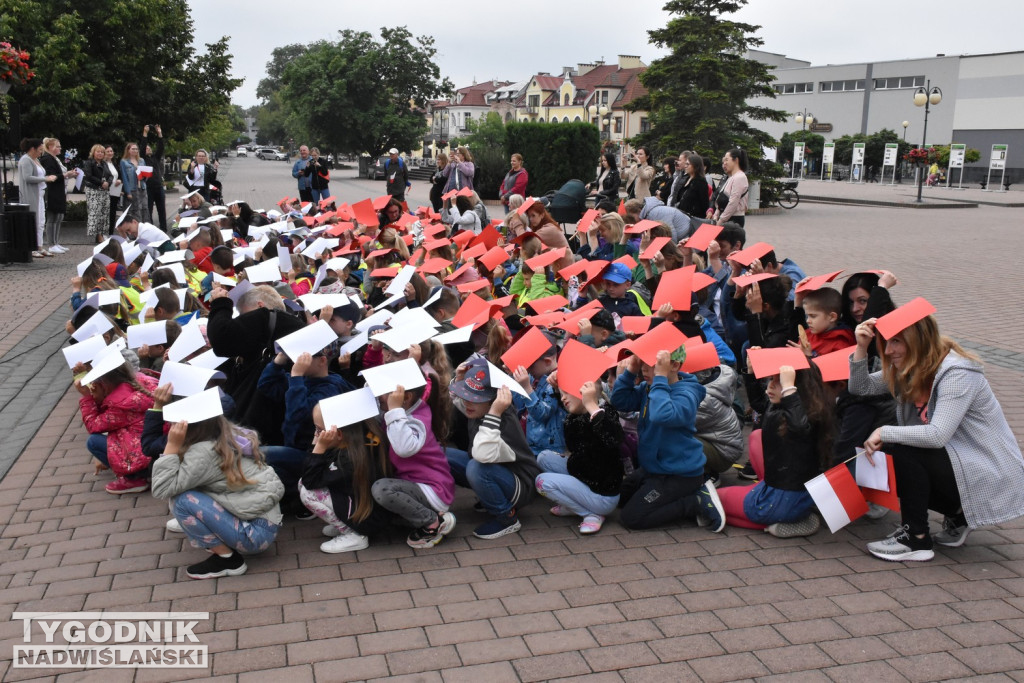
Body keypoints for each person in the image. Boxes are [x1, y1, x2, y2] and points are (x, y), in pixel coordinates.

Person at [852, 309, 1024, 562]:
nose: (888, 351)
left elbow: (937, 435)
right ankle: (958, 513)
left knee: (901, 447)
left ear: (919, 340)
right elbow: (861, 387)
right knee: (891, 450)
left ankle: (917, 539)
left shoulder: (957, 373)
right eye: (886, 343)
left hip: (989, 470)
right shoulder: (909, 366)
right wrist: (861, 347)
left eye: (896, 341)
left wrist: (885, 431)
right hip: (959, 462)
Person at [151, 415, 284, 579]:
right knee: (189, 491)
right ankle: (220, 536)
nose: (172, 427)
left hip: (254, 536)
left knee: (181, 501)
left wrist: (171, 445)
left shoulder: (203, 452)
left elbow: (162, 488)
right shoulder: (225, 434)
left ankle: (228, 560)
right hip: (264, 523)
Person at [610, 347, 724, 531]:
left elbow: (662, 415)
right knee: (618, 498)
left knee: (631, 518)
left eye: (653, 365)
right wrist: (630, 371)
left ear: (674, 365)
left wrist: (660, 379)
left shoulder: (686, 394)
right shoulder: (650, 388)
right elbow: (620, 401)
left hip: (679, 474)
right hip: (653, 469)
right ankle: (662, 494)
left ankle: (695, 501)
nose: (645, 369)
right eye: (643, 363)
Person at [719, 361, 834, 537]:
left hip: (780, 500)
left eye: (779, 380)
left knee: (716, 501)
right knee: (756, 437)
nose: (770, 385)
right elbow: (759, 403)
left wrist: (788, 389)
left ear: (797, 387)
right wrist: (750, 371)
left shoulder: (800, 420)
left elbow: (799, 428)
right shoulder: (810, 408)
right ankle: (781, 522)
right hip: (796, 497)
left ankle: (781, 522)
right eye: (770, 379)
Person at [446, 359, 540, 539]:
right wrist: (459, 381)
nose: (467, 403)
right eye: (466, 396)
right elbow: (457, 401)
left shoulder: (502, 418)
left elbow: (482, 455)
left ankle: (507, 518)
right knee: (444, 455)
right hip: (499, 471)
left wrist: (495, 412)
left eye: (474, 399)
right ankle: (490, 497)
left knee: (476, 468)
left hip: (521, 482)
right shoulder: (478, 409)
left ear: (494, 401)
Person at [371, 381, 457, 549]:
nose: (378, 396)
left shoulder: (416, 419)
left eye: (383, 392)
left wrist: (395, 410)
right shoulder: (405, 410)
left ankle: (433, 522)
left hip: (432, 489)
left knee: (382, 489)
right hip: (411, 483)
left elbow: (404, 449)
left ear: (406, 398)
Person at [535, 379, 624, 535]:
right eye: (561, 393)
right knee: (543, 457)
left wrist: (591, 406)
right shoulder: (573, 418)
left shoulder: (605, 412)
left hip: (602, 495)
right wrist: (559, 386)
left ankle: (590, 514)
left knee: (542, 482)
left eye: (567, 393)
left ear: (586, 391)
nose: (562, 398)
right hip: (585, 476)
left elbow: (614, 439)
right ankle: (575, 503)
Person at [300, 410, 392, 554]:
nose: (316, 434)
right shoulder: (360, 441)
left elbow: (310, 480)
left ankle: (354, 534)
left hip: (368, 520)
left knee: (308, 492)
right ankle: (346, 523)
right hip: (365, 510)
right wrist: (318, 444)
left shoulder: (348, 460)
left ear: (339, 434)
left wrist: (319, 447)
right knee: (305, 483)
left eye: (319, 430)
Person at [76, 361, 158, 494]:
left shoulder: (120, 405)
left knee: (94, 442)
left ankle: (134, 478)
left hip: (146, 458)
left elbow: (93, 425)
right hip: (159, 448)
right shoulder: (141, 383)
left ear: (103, 385)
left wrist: (87, 398)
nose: (91, 388)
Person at [791, 286, 856, 357]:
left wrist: (809, 356)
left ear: (832, 317)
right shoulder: (808, 334)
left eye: (813, 316)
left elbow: (832, 367)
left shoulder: (841, 345)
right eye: (807, 316)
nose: (808, 321)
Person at [39, 138, 76, 255]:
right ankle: (51, 244)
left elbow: (60, 175)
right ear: (50, 147)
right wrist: (66, 175)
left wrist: (69, 175)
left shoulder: (56, 159)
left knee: (58, 217)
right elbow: (51, 176)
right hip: (52, 191)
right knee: (52, 217)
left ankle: (56, 242)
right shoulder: (47, 159)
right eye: (57, 146)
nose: (60, 148)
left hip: (59, 190)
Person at [82, 144, 114, 243]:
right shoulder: (89, 163)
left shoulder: (104, 163)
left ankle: (102, 233)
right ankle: (98, 235)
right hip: (93, 190)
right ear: (93, 152)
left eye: (102, 152)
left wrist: (108, 182)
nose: (100, 154)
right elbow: (89, 176)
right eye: (98, 151)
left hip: (104, 191)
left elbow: (110, 176)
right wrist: (101, 183)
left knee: (104, 213)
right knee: (96, 212)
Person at [712, 148, 749, 227]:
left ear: (736, 160)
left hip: (733, 220)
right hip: (726, 218)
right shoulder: (731, 177)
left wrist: (721, 220)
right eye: (723, 161)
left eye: (726, 160)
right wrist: (716, 216)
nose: (724, 163)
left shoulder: (740, 177)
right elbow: (720, 197)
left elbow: (733, 202)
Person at [141, 125, 167, 232]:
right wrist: (145, 133)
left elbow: (161, 147)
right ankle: (150, 229)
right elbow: (142, 147)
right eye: (146, 148)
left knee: (161, 209)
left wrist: (159, 133)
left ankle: (163, 228)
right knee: (149, 209)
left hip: (158, 186)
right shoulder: (143, 159)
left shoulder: (155, 158)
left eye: (149, 148)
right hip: (148, 187)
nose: (148, 149)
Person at [119, 142, 150, 224]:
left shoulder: (141, 160)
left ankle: (145, 228)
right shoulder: (124, 162)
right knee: (134, 210)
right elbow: (124, 178)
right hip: (132, 189)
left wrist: (145, 176)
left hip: (142, 188)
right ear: (128, 150)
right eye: (133, 149)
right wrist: (128, 192)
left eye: (136, 149)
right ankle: (135, 231)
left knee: (144, 209)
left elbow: (146, 176)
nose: (135, 150)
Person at [676, 152, 711, 219]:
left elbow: (704, 204)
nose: (685, 166)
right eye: (685, 164)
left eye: (688, 164)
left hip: (693, 218)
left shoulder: (700, 182)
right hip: (682, 216)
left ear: (695, 166)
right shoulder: (687, 179)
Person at [103, 146, 123, 235]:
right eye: (108, 151)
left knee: (113, 212)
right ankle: (103, 233)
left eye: (111, 151)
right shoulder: (103, 164)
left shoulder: (114, 163)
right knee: (105, 212)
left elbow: (118, 175)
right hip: (106, 190)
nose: (110, 153)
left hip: (115, 190)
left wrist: (119, 180)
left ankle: (111, 233)